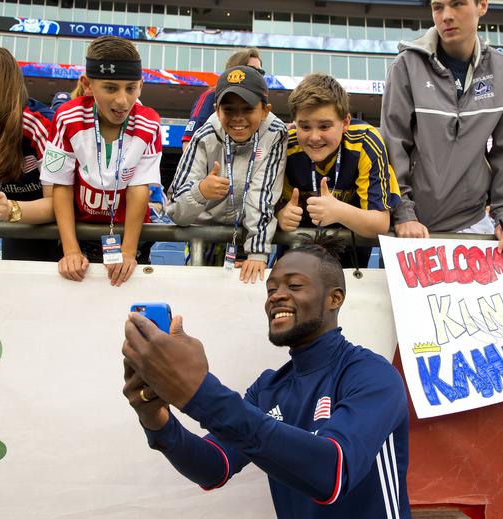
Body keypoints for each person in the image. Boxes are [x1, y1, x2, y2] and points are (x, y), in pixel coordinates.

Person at [122, 234, 410, 519]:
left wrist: (200, 393)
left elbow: (332, 473)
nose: (277, 296)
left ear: (334, 298)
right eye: (271, 290)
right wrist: (156, 419)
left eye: (294, 285)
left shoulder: (372, 374)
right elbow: (213, 467)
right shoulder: (268, 387)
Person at [380, 0, 503, 257]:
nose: (446, 16)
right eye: (438, 7)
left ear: (482, 5)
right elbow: (393, 145)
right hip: (410, 227)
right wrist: (402, 210)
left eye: (457, 4)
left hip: (472, 223)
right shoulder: (405, 66)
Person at [40, 36, 162, 285]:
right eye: (110, 88)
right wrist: (71, 250)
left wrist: (129, 251)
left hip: (130, 234)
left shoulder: (150, 122)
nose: (122, 100)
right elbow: (62, 186)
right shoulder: (67, 117)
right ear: (87, 84)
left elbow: (140, 189)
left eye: (131, 88)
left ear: (141, 84)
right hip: (81, 233)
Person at [167, 65, 286, 283]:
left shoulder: (275, 133)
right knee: (201, 300)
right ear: (216, 109)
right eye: (229, 109)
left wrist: (257, 251)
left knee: (249, 303)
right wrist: (200, 191)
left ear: (265, 110)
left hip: (251, 236)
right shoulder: (204, 136)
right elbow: (175, 209)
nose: (238, 118)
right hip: (204, 236)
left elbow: (262, 193)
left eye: (248, 109)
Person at [277, 73, 400, 240]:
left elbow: (380, 223)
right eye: (305, 127)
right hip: (298, 250)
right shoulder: (285, 144)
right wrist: (279, 214)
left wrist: (338, 212)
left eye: (325, 126)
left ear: (346, 122)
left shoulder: (365, 141)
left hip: (351, 253)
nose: (314, 137)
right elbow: (260, 202)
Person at [0, 44, 60, 261]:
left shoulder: (42, 124)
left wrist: (11, 208)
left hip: (60, 237)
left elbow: (60, 203)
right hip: (16, 232)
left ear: (2, 87)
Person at [182, 47, 264, 152]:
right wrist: (202, 168)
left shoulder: (260, 102)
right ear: (236, 70)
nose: (258, 75)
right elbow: (189, 141)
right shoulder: (211, 96)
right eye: (253, 70)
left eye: (260, 72)